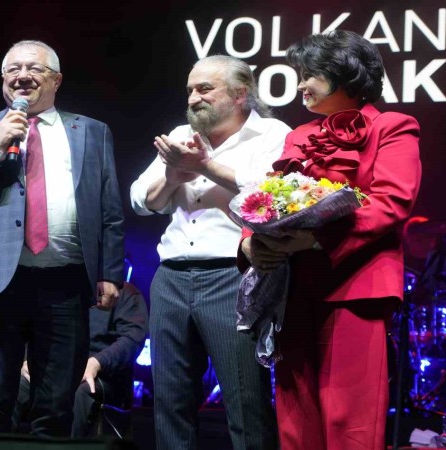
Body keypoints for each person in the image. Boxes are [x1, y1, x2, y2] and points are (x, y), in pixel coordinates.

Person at [0, 39, 124, 436]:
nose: (22, 76)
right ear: (3, 78)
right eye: (13, 69)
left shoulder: (92, 131)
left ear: (56, 80)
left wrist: (109, 272)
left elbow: (109, 207)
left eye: (34, 68)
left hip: (65, 282)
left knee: (55, 410)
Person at [240, 30, 422, 450]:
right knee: (295, 419)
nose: (300, 85)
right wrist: (251, 240)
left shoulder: (393, 126)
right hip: (292, 290)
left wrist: (316, 240)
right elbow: (268, 198)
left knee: (349, 420)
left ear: (345, 74)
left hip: (354, 289)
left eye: (309, 75)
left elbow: (391, 202)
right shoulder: (299, 135)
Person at [130, 55, 289, 450]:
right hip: (171, 277)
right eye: (190, 90)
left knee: (245, 399)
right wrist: (173, 175)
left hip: (233, 275)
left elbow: (276, 196)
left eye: (205, 89)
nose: (193, 98)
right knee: (170, 401)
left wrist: (205, 166)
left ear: (241, 93)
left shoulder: (271, 133)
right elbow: (142, 200)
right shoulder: (181, 134)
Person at [12, 281, 148, 438]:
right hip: (58, 368)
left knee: (79, 394)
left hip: (103, 376)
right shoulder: (63, 287)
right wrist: (27, 358)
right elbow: (35, 326)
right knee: (13, 389)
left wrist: (97, 362)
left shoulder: (126, 293)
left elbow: (133, 339)